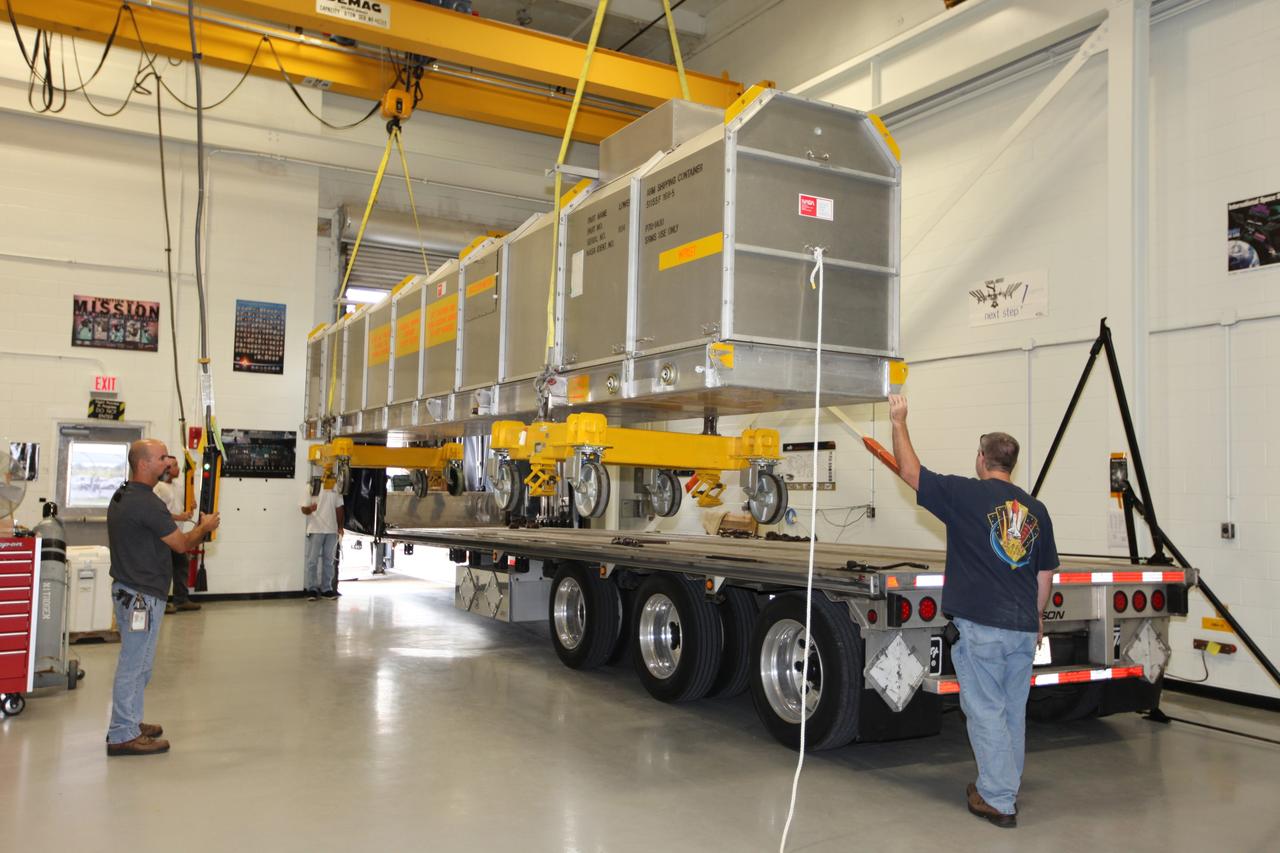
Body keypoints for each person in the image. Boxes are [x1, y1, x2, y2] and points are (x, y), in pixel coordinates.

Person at [887, 394, 1057, 828]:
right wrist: (1037, 619)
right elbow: (1044, 577)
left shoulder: (965, 494)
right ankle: (1001, 786)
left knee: (984, 711)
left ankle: (998, 799)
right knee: (1010, 712)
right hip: (1022, 629)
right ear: (1011, 464)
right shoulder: (1036, 510)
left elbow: (909, 472)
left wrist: (899, 421)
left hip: (982, 627)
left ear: (982, 459)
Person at [106, 439, 220, 756]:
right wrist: (204, 526)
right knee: (134, 664)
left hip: (132, 590)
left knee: (141, 665)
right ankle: (122, 734)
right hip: (140, 596)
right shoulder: (146, 502)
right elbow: (182, 546)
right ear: (143, 464)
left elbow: (153, 529)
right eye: (162, 457)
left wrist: (181, 519)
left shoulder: (126, 495)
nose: (168, 462)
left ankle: (129, 721)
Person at [153, 455, 200, 614]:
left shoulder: (178, 486)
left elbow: (184, 504)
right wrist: (179, 517)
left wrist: (191, 505)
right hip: (162, 535)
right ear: (167, 469)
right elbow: (158, 513)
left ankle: (181, 600)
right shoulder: (158, 488)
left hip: (176, 534)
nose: (178, 468)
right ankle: (162, 602)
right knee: (164, 569)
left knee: (181, 566)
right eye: (175, 465)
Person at [300, 475, 343, 601]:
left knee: (329, 560)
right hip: (316, 529)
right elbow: (303, 509)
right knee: (312, 561)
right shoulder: (312, 486)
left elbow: (339, 508)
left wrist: (340, 527)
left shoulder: (336, 487)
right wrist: (309, 509)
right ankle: (312, 589)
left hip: (331, 530)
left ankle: (327, 589)